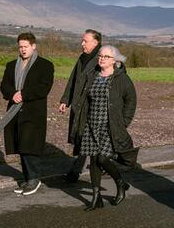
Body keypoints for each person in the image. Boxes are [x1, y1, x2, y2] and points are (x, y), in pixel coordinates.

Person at [75, 45, 137, 211]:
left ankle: (120, 183)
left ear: (115, 60)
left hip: (110, 126)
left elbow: (131, 100)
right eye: (100, 56)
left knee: (103, 158)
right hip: (92, 123)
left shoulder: (121, 78)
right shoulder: (93, 75)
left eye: (106, 57)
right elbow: (85, 98)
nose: (101, 59)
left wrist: (123, 122)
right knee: (94, 159)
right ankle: (96, 197)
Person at [0, 32, 55, 196]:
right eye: (20, 47)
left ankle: (34, 179)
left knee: (30, 146)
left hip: (33, 112)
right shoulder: (11, 65)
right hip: (15, 111)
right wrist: (12, 94)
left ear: (33, 46)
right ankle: (27, 178)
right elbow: (4, 85)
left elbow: (44, 88)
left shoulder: (45, 65)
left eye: (26, 46)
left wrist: (23, 94)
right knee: (21, 146)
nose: (23, 50)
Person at [58, 29, 102, 183]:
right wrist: (65, 100)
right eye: (82, 40)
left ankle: (110, 167)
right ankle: (76, 172)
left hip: (93, 108)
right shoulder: (82, 58)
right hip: (78, 106)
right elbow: (73, 80)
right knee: (82, 139)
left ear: (95, 42)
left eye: (85, 41)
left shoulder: (102, 58)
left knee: (88, 140)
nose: (82, 43)